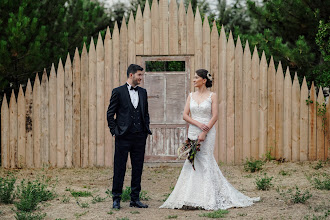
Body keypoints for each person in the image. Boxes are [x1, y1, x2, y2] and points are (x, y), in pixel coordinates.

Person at [160, 69, 260, 210]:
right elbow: (185, 115)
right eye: (193, 78)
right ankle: (190, 197)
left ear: (204, 80)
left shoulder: (212, 95)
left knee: (206, 160)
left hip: (208, 131)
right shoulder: (191, 95)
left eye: (196, 78)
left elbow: (215, 116)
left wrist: (205, 131)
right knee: (192, 160)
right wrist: (198, 125)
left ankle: (208, 198)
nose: (194, 80)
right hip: (194, 130)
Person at [107, 64, 152, 209]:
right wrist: (115, 131)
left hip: (139, 136)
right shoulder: (118, 91)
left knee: (137, 168)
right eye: (139, 75)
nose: (141, 78)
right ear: (131, 75)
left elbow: (145, 113)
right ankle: (116, 198)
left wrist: (145, 130)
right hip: (123, 136)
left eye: (141, 75)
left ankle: (135, 199)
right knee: (119, 168)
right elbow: (110, 114)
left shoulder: (143, 92)